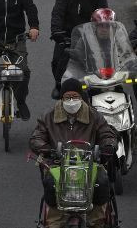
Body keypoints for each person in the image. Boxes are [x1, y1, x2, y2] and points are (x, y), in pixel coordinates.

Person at [30, 78, 117, 228]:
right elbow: (36, 137)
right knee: (51, 184)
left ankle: (98, 221)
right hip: (58, 165)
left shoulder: (94, 115)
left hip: (89, 164)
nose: (71, 100)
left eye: (75, 97)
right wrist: (47, 150)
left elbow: (107, 135)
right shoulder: (48, 116)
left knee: (101, 182)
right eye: (67, 97)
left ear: (82, 97)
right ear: (62, 98)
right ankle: (52, 222)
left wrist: (107, 147)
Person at [50, 0, 108, 99]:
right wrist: (57, 31)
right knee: (58, 61)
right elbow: (57, 13)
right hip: (68, 37)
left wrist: (104, 29)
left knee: (105, 63)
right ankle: (59, 84)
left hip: (92, 36)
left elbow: (104, 13)